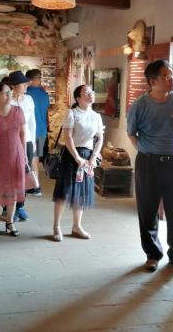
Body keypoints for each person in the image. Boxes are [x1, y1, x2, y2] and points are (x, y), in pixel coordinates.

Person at [126, 59, 173, 273]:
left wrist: (168, 147)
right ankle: (153, 255)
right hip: (148, 163)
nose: (170, 79)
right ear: (153, 81)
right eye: (166, 76)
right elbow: (131, 133)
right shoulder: (140, 105)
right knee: (148, 212)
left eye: (171, 75)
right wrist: (147, 150)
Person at [52, 84, 104, 242]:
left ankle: (76, 226)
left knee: (81, 192)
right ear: (78, 98)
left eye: (91, 91)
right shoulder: (72, 113)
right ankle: (56, 226)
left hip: (87, 156)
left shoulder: (96, 116)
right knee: (64, 190)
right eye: (86, 92)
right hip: (71, 155)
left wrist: (93, 157)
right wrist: (77, 157)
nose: (90, 94)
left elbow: (99, 138)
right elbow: (67, 137)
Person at [0, 82, 26, 237]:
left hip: (16, 155)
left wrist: (25, 156)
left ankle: (10, 221)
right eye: (4, 93)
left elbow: (23, 134)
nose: (8, 95)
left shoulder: (18, 111)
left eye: (9, 91)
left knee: (13, 190)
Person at [7, 70, 36, 221]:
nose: (25, 87)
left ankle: (20, 206)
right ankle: (7, 206)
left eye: (26, 84)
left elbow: (32, 122)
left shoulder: (29, 99)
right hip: (10, 142)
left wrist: (33, 142)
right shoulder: (6, 100)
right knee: (9, 174)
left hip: (27, 141)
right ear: (13, 86)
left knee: (24, 174)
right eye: (23, 84)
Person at [25, 68, 50, 196]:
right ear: (34, 79)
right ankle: (35, 186)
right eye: (39, 78)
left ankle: (34, 186)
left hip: (29, 131)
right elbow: (46, 112)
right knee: (35, 158)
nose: (40, 80)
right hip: (41, 130)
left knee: (30, 159)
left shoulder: (25, 94)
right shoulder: (44, 94)